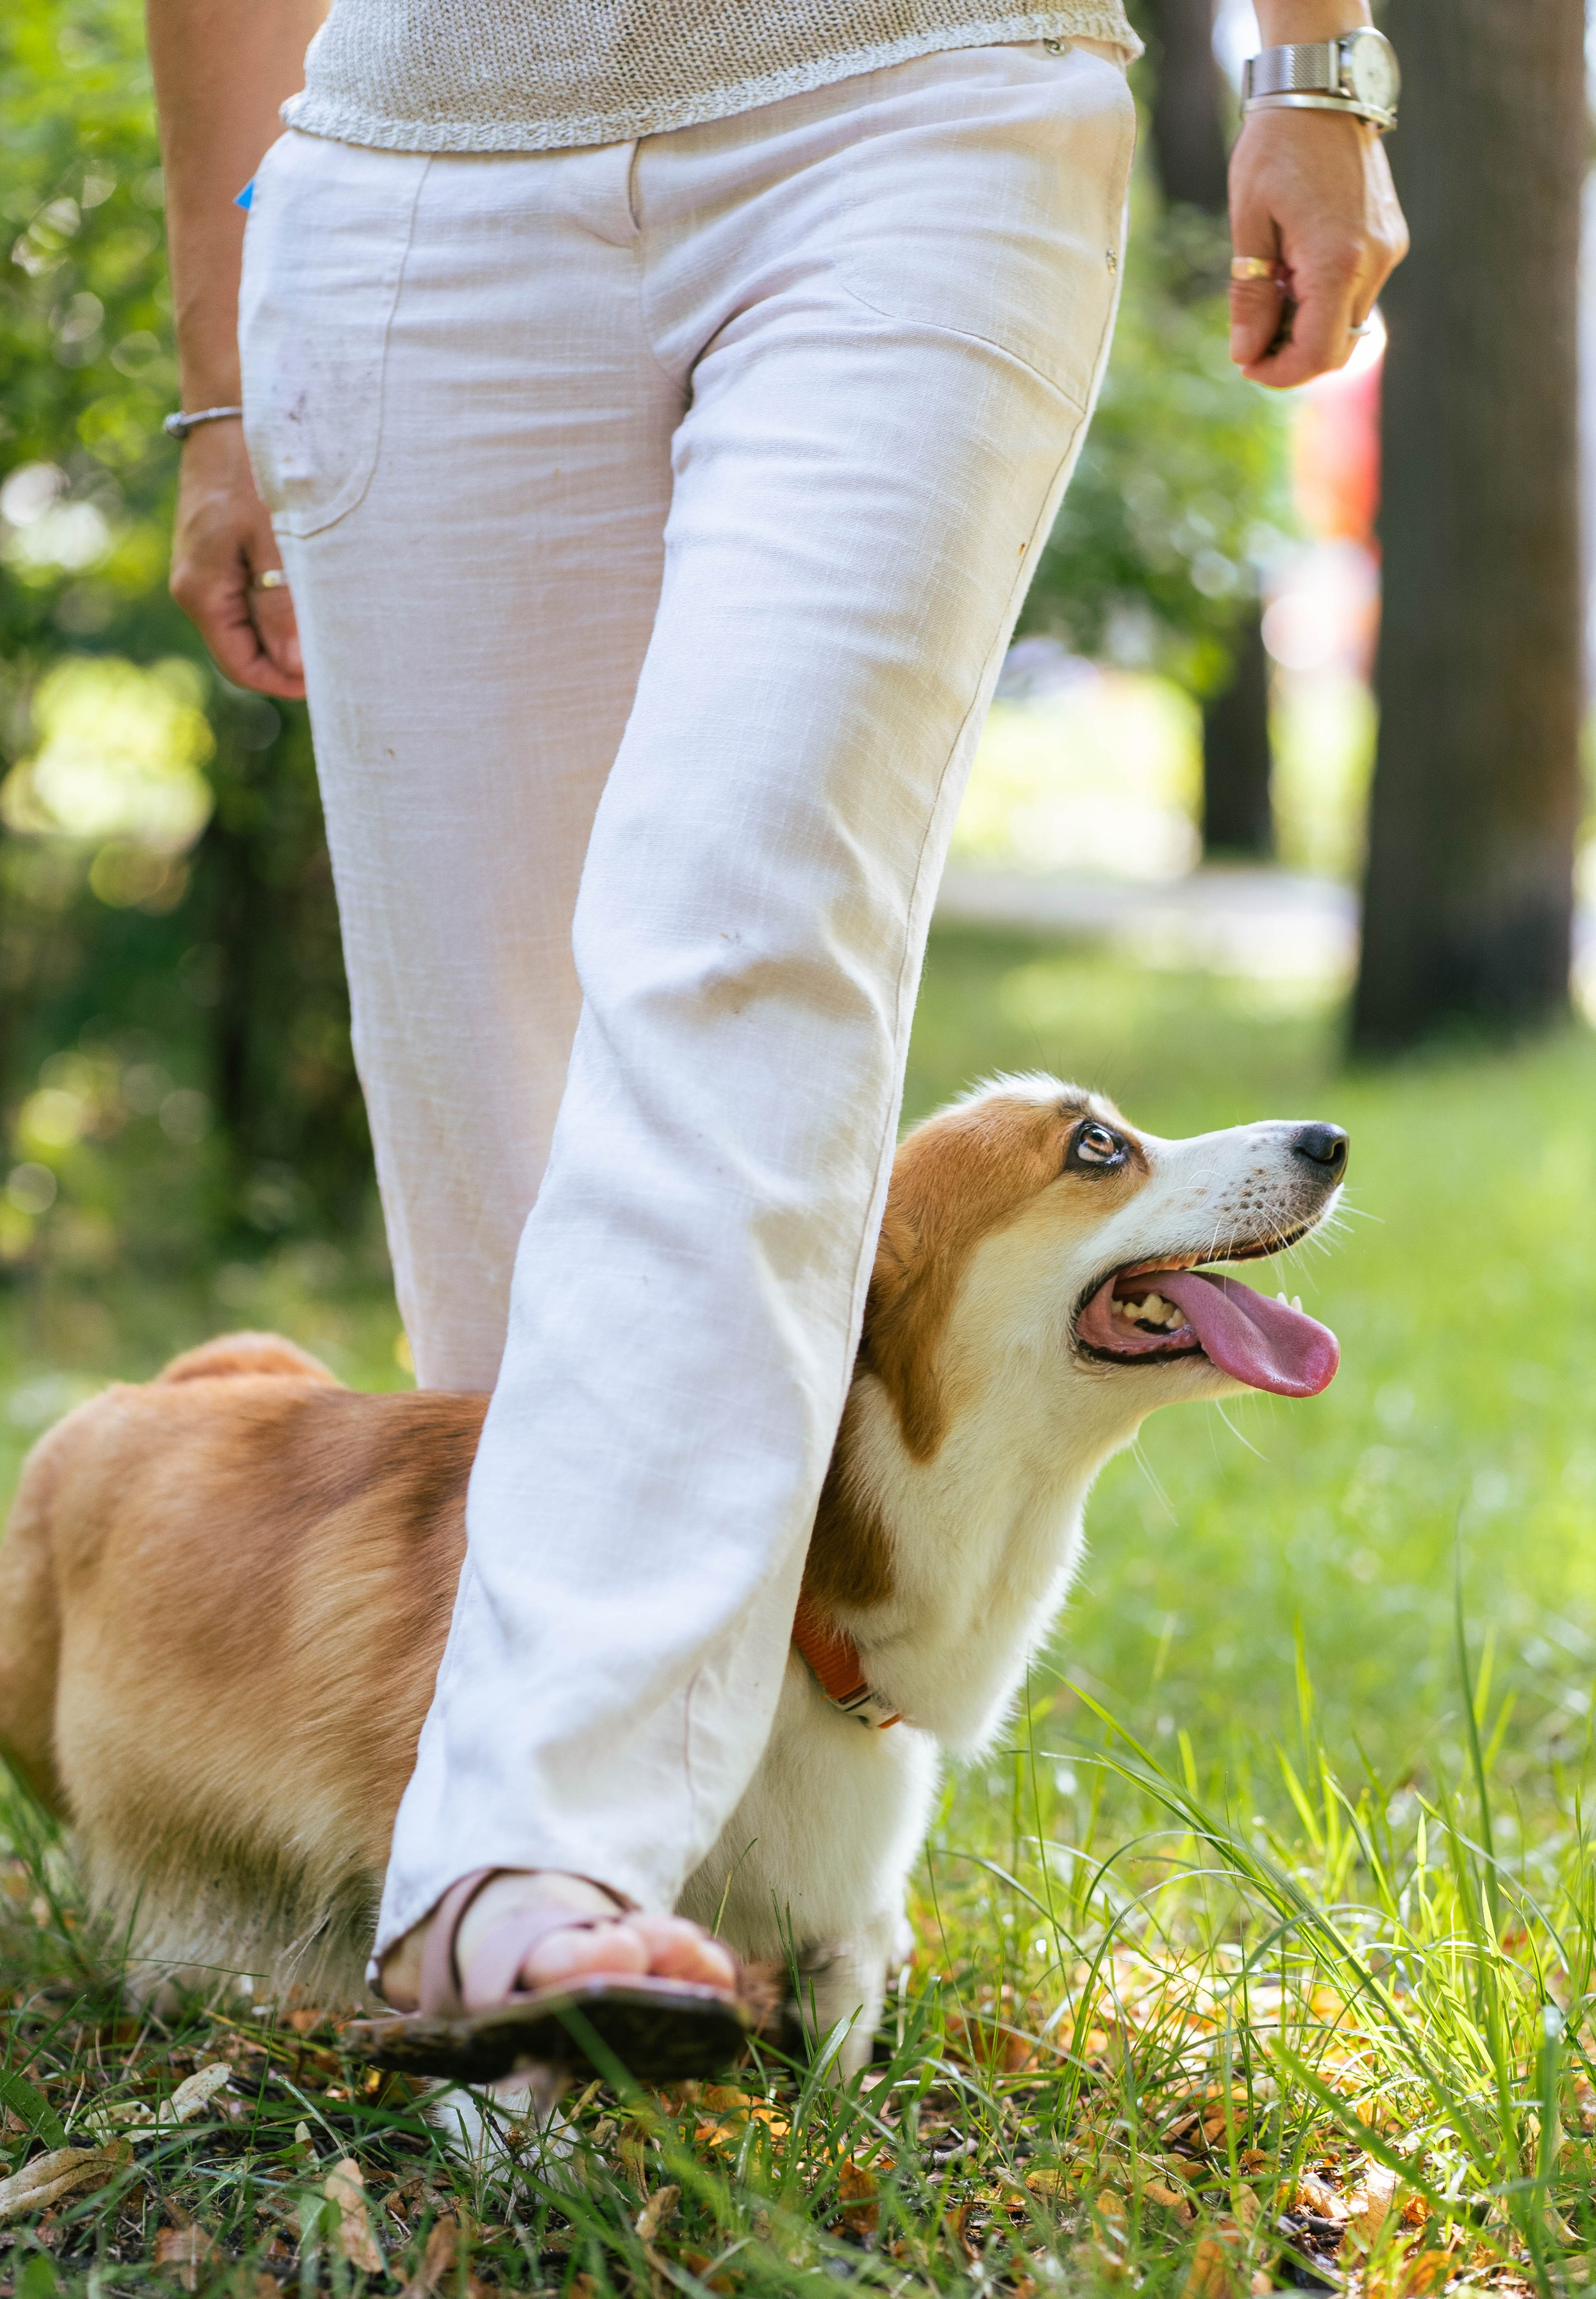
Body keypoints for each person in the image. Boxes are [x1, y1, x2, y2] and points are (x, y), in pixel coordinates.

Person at [148, 0, 1404, 2071]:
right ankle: (644, 1872)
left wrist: (1318, 62)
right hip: (411, 171)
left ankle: (525, 1874)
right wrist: (218, 385)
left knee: (743, 924)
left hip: (922, 101)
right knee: (500, 1099)